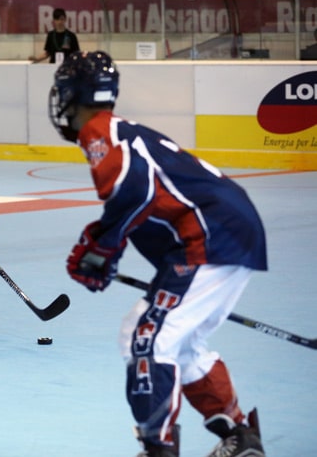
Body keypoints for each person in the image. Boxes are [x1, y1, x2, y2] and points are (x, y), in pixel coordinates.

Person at [50, 51, 267, 457]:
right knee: (176, 343)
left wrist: (101, 248)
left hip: (211, 237)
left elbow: (137, 192)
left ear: (72, 94)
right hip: (225, 232)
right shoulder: (118, 131)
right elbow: (143, 196)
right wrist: (103, 247)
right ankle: (239, 438)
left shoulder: (99, 133)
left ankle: (158, 448)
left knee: (146, 339)